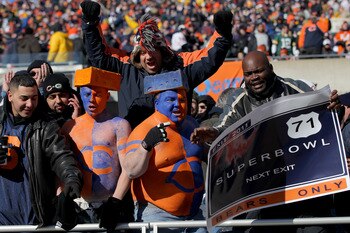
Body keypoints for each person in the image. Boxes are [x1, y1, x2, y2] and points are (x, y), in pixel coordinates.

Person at [190, 50, 341, 233]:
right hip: (268, 193)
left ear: (270, 69)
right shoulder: (239, 101)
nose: (254, 78)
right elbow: (224, 129)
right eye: (248, 74)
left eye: (259, 71)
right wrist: (213, 133)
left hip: (304, 191)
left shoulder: (295, 88)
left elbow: (324, 112)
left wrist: (334, 106)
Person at [80, 0, 233, 129]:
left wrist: (223, 33)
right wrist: (90, 23)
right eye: (143, 52)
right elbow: (100, 57)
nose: (148, 56)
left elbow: (209, 60)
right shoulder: (125, 66)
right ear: (136, 54)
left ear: (162, 51)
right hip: (134, 147)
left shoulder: (179, 65)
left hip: (175, 148)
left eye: (153, 50)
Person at [122, 70, 206, 233]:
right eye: (170, 99)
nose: (178, 105)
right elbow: (131, 171)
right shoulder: (143, 130)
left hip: (196, 216)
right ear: (157, 103)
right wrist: (146, 145)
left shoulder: (192, 124)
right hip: (159, 217)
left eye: (182, 100)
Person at [0, 71, 82, 229]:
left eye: (34, 98)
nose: (30, 104)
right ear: (10, 96)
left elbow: (62, 157)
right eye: (24, 98)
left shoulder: (46, 126)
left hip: (36, 220)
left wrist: (71, 182)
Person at [61, 66, 133, 229]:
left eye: (98, 94)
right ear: (80, 95)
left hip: (111, 203)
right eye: (87, 94)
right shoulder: (69, 127)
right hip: (79, 205)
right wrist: (62, 197)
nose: (92, 100)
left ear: (107, 96)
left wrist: (116, 201)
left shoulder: (119, 125)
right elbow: (60, 166)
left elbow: (128, 168)